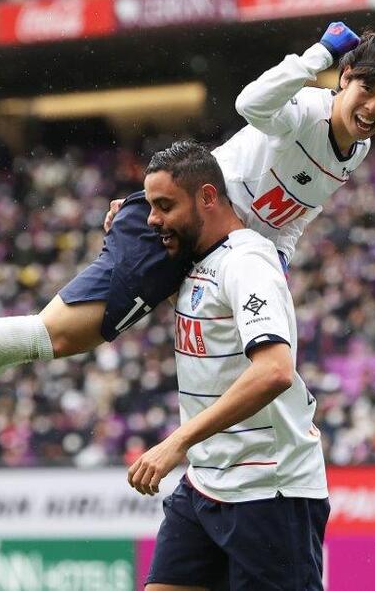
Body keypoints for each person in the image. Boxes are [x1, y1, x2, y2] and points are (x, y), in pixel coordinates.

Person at [0, 21, 375, 468]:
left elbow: (294, 214)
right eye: (367, 89)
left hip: (219, 250)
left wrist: (275, 259)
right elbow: (251, 104)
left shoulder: (356, 149)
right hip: (177, 229)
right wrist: (316, 56)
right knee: (55, 335)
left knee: (85, 342)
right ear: (344, 76)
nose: (374, 108)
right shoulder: (305, 111)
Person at [129, 140, 328, 590]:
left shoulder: (246, 262)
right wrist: (122, 222)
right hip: (206, 482)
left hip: (269, 489)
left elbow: (275, 370)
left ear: (207, 197)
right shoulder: (194, 259)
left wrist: (176, 442)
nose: (153, 219)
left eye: (164, 206)